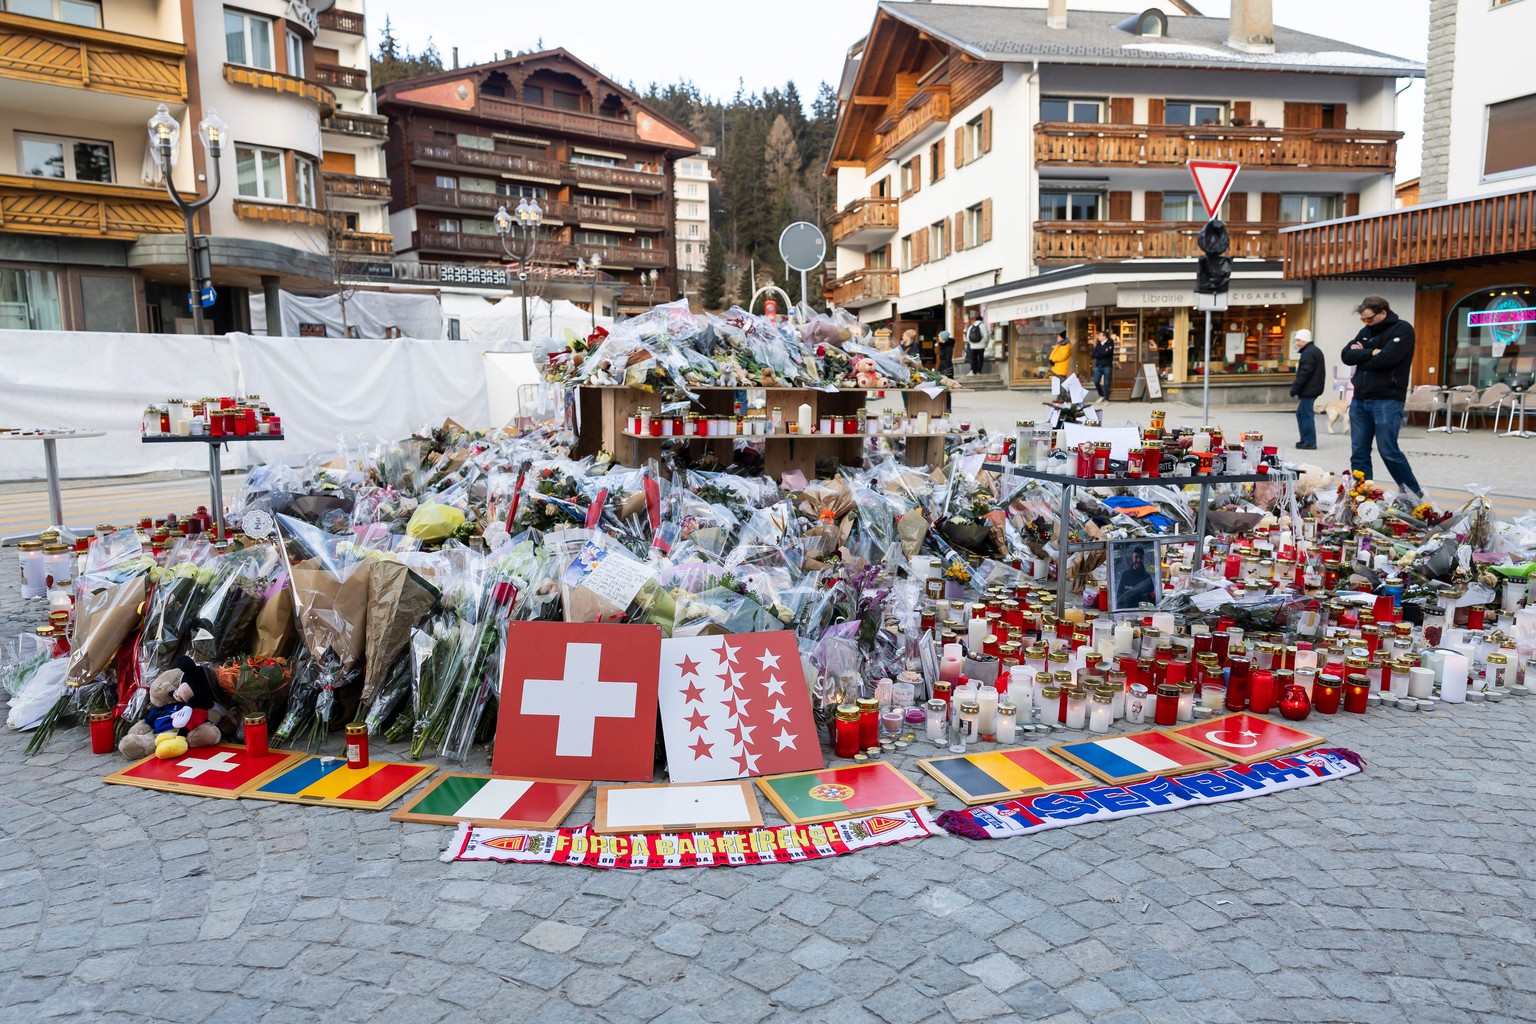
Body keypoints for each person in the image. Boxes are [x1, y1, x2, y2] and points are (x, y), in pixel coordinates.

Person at [1340, 295, 1423, 503]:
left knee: (1388, 450)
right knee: (1359, 452)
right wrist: (1372, 353)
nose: (1366, 323)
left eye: (1369, 318)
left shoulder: (1402, 329)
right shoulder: (1365, 332)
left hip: (1387, 399)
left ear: (1383, 313)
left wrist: (1363, 356)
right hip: (1360, 399)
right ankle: (1361, 496)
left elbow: (1387, 359)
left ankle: (1412, 494)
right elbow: (1346, 355)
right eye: (1363, 319)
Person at [1289, 328, 1325, 450]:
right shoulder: (1313, 351)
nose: (1297, 343)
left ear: (1305, 340)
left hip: (1309, 389)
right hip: (1312, 388)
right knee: (1301, 414)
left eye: (1299, 340)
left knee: (1305, 415)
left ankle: (1309, 441)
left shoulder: (1308, 353)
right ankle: (1305, 440)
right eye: (1296, 340)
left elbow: (1304, 372)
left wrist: (1295, 387)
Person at [1091, 330, 1114, 407]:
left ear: (1104, 336)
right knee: (1096, 381)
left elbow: (1107, 353)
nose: (1098, 337)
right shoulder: (1098, 344)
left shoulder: (1110, 343)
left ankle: (1106, 399)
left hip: (1107, 365)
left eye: (1100, 335)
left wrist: (1099, 353)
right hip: (1098, 365)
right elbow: (1093, 354)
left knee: (1106, 383)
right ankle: (1101, 395)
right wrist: (1102, 352)